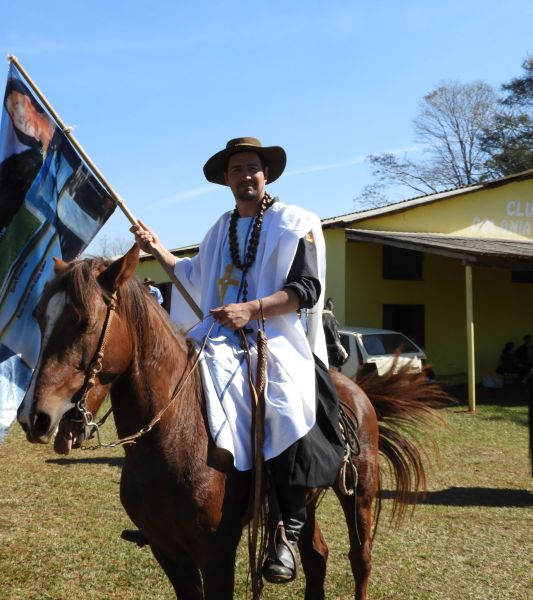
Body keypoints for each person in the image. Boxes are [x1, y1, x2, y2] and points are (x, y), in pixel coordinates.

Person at [131, 137, 345, 583]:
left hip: (276, 337)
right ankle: (168, 510)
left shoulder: (297, 223)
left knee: (283, 403)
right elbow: (192, 275)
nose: (245, 175)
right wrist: (156, 248)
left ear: (265, 174)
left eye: (252, 167)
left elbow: (307, 289)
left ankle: (286, 525)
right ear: (226, 180)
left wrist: (252, 309)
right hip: (216, 335)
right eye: (236, 170)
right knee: (169, 384)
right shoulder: (219, 229)